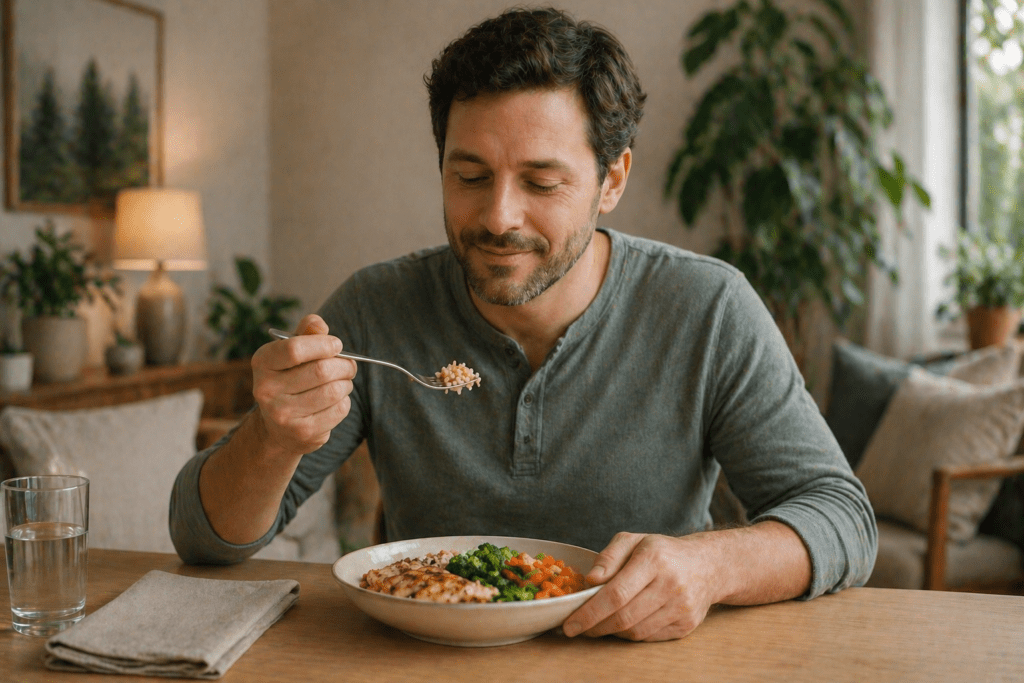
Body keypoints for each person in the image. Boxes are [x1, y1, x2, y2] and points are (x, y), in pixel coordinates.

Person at [170, 7, 876, 642]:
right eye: (469, 176)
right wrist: (272, 437)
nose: (499, 216)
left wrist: (712, 563)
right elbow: (205, 542)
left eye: (541, 183)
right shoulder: (376, 309)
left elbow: (842, 516)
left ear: (613, 179)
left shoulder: (708, 308)